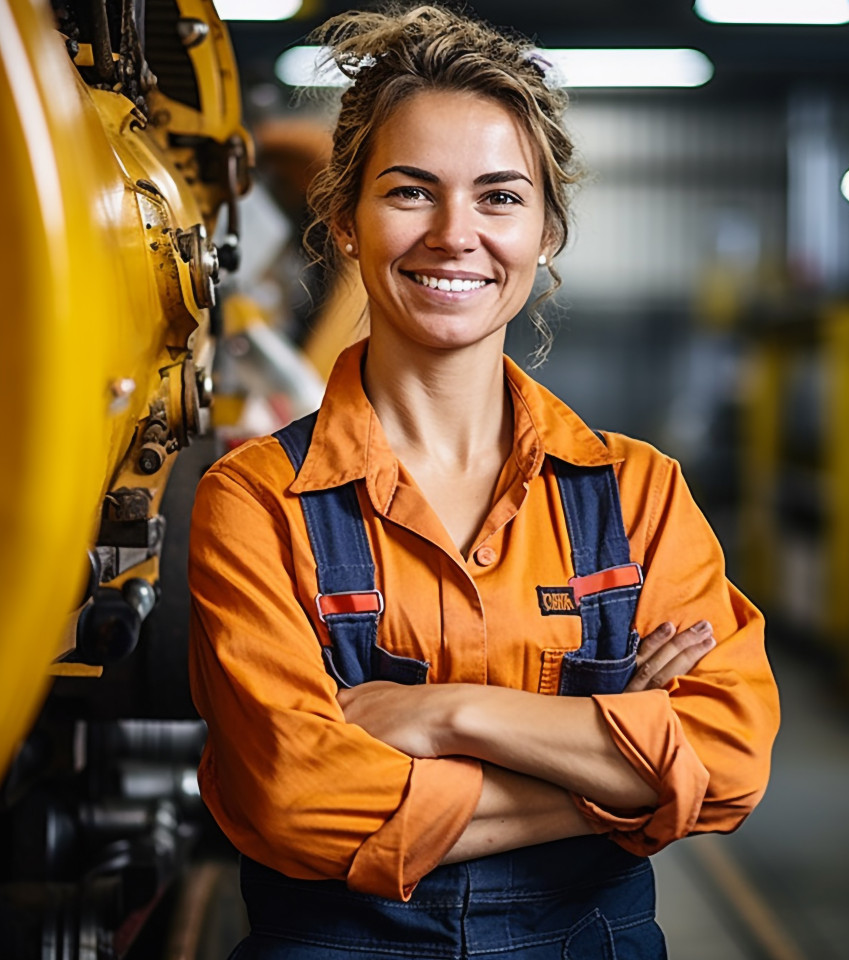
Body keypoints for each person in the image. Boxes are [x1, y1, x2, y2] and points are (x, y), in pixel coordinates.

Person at [189, 5, 780, 958]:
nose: (455, 233)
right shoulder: (258, 499)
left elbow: (729, 758)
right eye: (411, 192)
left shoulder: (636, 494)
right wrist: (614, 765)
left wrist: (442, 713)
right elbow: (300, 798)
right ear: (344, 220)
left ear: (547, 230)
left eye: (501, 196)